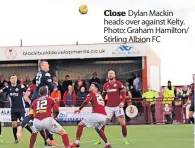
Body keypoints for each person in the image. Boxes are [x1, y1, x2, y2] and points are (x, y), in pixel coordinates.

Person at [17, 61, 57, 146]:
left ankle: (21, 126)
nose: (49, 66)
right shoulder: (46, 74)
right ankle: (50, 140)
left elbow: (34, 81)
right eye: (47, 64)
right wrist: (55, 86)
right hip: (41, 98)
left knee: (31, 114)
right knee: (47, 117)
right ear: (42, 66)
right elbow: (51, 86)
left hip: (34, 97)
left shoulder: (38, 73)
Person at [93, 70, 129, 146]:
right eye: (109, 73)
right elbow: (103, 95)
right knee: (102, 123)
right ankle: (99, 139)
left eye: (111, 73)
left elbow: (123, 93)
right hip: (108, 107)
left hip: (118, 107)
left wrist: (122, 101)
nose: (110, 74)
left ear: (114, 75)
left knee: (123, 123)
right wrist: (101, 104)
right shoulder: (106, 85)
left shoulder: (119, 84)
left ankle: (125, 139)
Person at [71, 82, 111, 148]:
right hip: (104, 116)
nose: (90, 86)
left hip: (97, 114)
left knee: (80, 125)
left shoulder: (92, 94)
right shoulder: (99, 95)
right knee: (98, 129)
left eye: (92, 86)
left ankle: (77, 143)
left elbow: (86, 101)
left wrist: (80, 109)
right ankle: (107, 144)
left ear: (96, 88)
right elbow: (96, 103)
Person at [0, 74, 32, 144]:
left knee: (22, 122)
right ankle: (16, 139)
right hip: (13, 109)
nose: (14, 79)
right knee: (14, 124)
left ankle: (31, 132)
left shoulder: (21, 86)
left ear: (16, 79)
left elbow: (28, 92)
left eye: (15, 78)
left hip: (20, 108)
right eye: (12, 78)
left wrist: (27, 97)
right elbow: (1, 91)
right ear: (10, 80)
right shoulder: (8, 87)